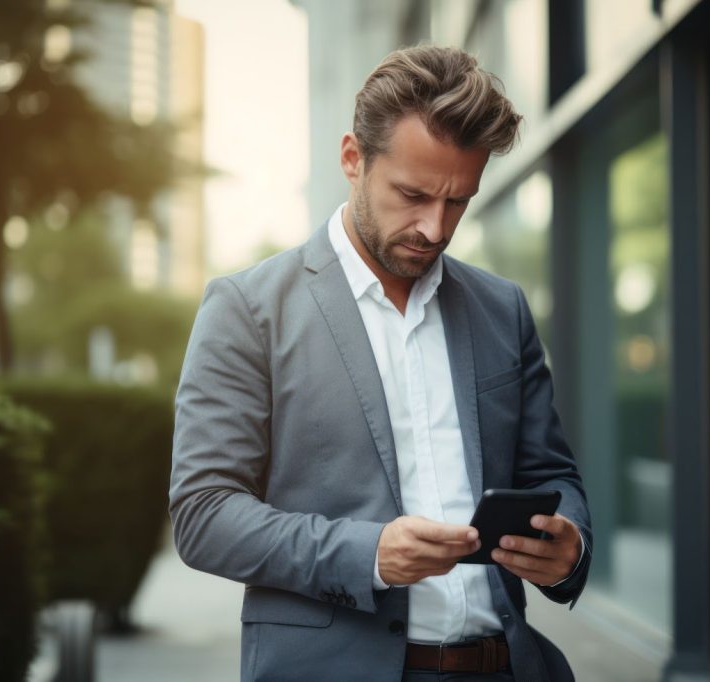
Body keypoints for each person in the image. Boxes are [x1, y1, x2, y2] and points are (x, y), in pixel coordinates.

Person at [170, 45, 592, 681]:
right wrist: (366, 553)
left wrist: (571, 546)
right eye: (412, 194)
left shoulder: (501, 308)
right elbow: (204, 513)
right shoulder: (248, 309)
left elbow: (552, 472)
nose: (434, 227)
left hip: (502, 667)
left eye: (458, 201)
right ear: (352, 159)